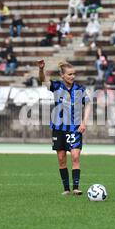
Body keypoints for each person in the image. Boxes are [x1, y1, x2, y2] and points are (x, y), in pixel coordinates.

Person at [38, 59, 92, 196]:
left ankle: (76, 187)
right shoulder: (56, 86)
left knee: (75, 156)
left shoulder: (80, 89)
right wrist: (41, 70)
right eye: (69, 74)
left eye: (74, 74)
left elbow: (88, 104)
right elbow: (43, 81)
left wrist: (84, 122)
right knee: (62, 159)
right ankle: (66, 189)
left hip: (74, 128)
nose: (72, 76)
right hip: (59, 128)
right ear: (62, 76)